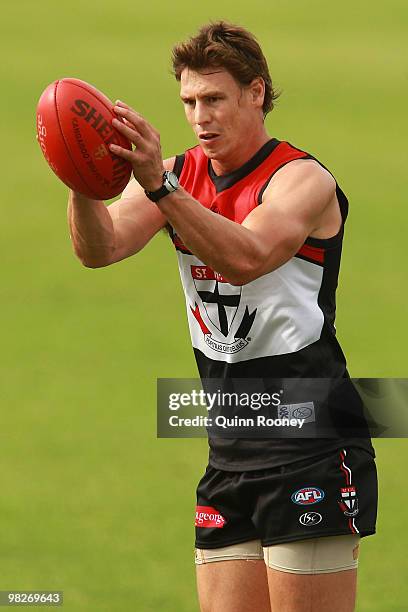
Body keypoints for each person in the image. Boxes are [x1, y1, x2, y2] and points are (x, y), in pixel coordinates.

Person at [68, 21, 377, 612]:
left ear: (255, 92)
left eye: (214, 99)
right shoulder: (181, 177)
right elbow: (100, 248)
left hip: (310, 445)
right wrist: (81, 180)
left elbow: (247, 258)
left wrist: (160, 185)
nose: (200, 117)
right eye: (188, 102)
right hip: (229, 449)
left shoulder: (302, 180)